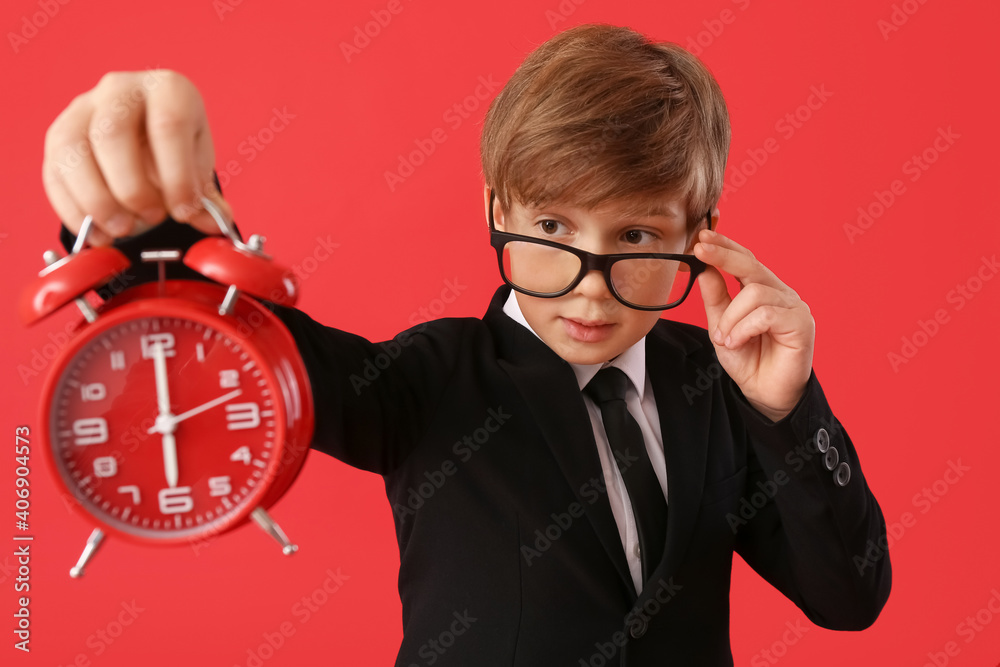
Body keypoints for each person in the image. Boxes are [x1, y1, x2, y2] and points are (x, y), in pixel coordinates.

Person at [44, 23, 890, 666]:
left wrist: (786, 406)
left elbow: (847, 598)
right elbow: (258, 342)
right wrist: (147, 225)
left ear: (700, 233)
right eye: (553, 225)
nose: (592, 284)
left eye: (635, 235)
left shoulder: (716, 379)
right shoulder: (428, 380)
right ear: (496, 210)